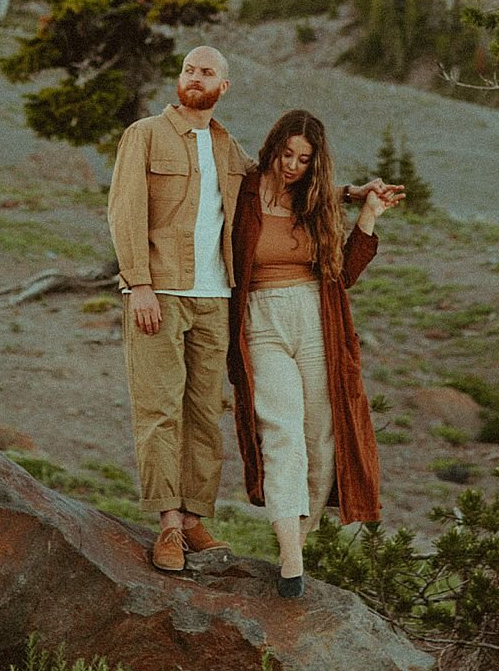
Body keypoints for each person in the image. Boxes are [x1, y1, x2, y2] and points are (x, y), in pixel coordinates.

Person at [227, 111, 402, 596]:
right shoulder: (244, 190)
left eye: (304, 159)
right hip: (260, 321)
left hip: (315, 319)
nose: (293, 166)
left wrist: (365, 213)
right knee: (283, 432)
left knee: (322, 438)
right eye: (287, 154)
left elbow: (343, 274)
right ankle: (289, 559)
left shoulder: (316, 201)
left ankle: (294, 552)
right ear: (273, 147)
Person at [107, 44, 251, 574]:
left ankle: (194, 520)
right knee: (159, 410)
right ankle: (167, 524)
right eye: (189, 70)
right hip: (160, 293)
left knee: (205, 415)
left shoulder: (229, 148)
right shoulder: (144, 135)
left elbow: (279, 190)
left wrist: (349, 192)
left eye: (206, 72)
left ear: (223, 86)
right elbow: (125, 212)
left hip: (217, 299)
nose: (194, 78)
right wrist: (139, 284)